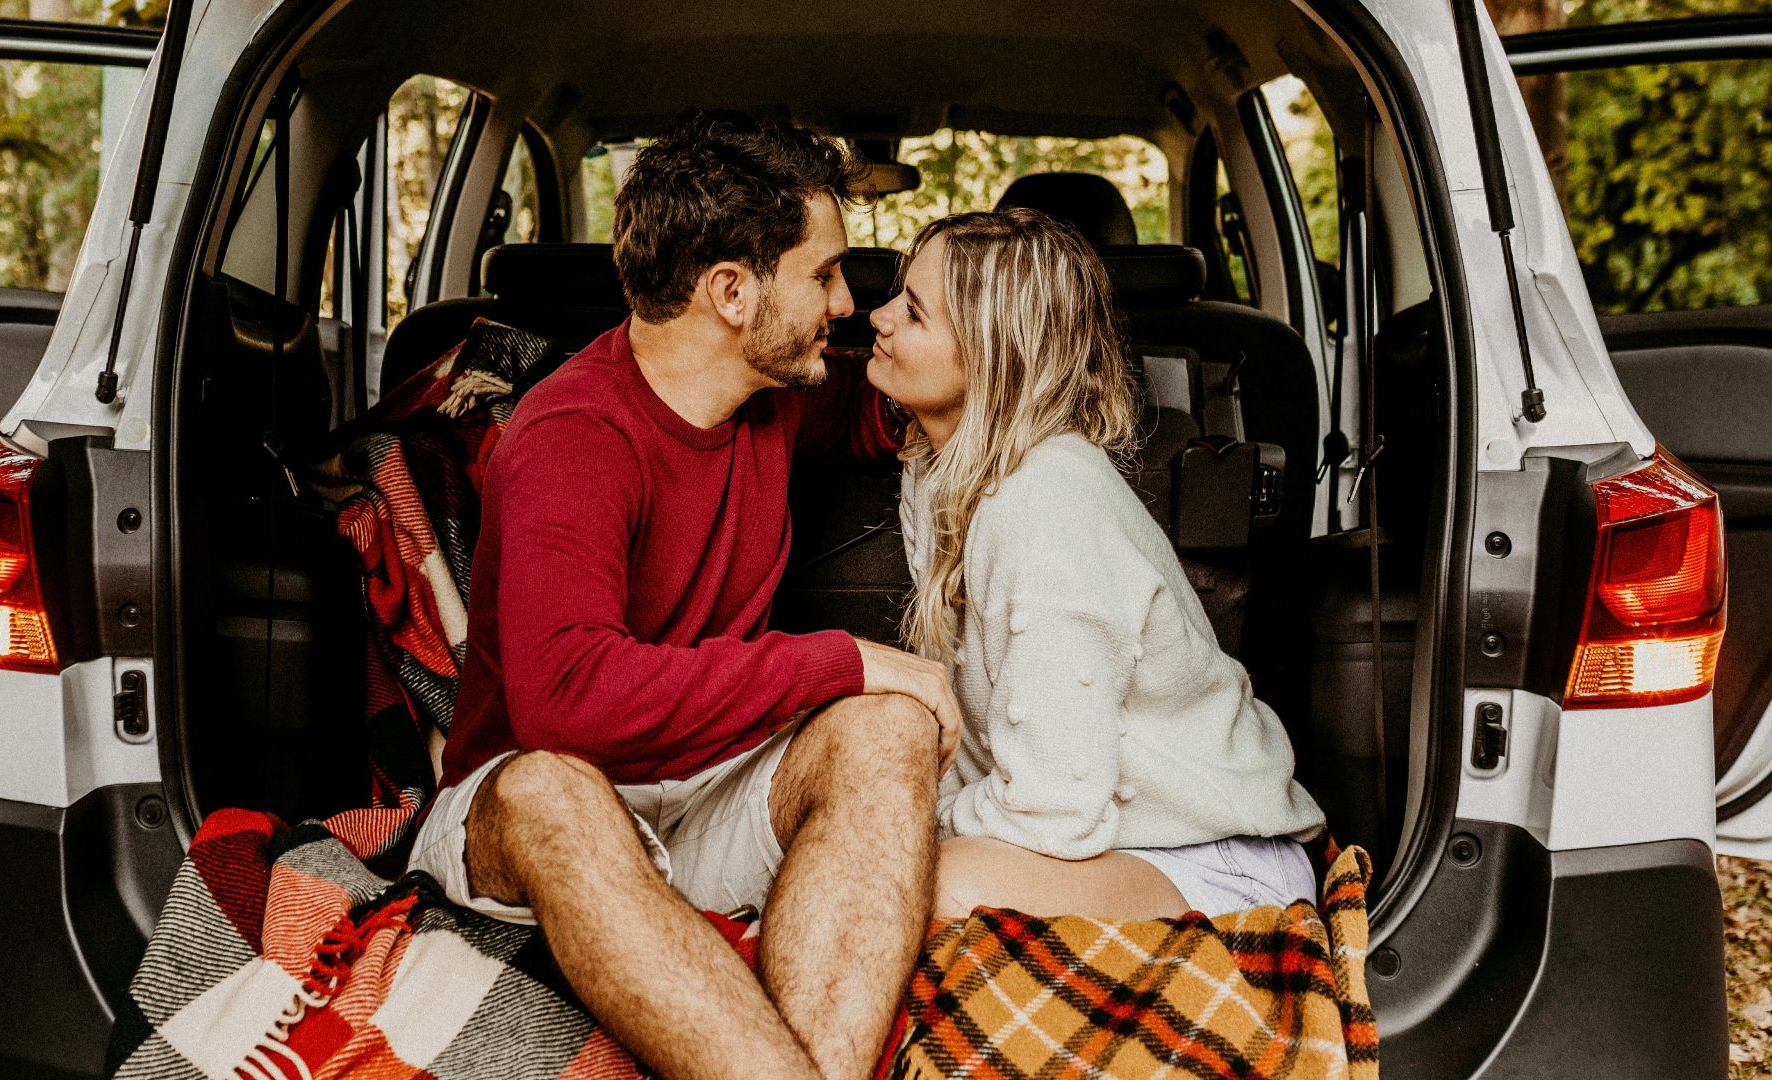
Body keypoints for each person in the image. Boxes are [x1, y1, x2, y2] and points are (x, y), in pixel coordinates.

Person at [404, 112, 962, 1080]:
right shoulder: (571, 437)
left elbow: (892, 407)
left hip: (706, 788)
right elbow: (565, 702)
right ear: (732, 292)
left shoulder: (779, 392)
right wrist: (847, 656)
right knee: (552, 790)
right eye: (825, 274)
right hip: (542, 807)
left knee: (891, 732)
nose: (846, 304)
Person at [865, 208, 1327, 923]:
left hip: (1215, 856)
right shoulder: (939, 473)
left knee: (911, 893)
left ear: (992, 354)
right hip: (1104, 840)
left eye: (914, 313)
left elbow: (1053, 812)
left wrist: (901, 832)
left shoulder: (1043, 506)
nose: (879, 317)